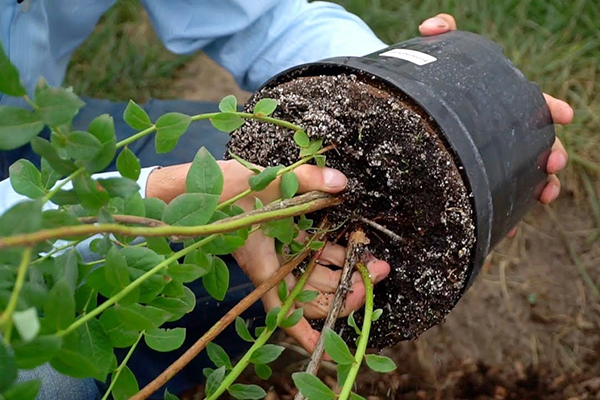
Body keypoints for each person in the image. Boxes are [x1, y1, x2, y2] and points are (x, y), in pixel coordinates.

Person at [0, 2, 572, 398]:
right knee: (47, 380)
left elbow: (264, 16)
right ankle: (112, 361)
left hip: (29, 125)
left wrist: (409, 90)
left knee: (235, 163)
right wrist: (150, 199)